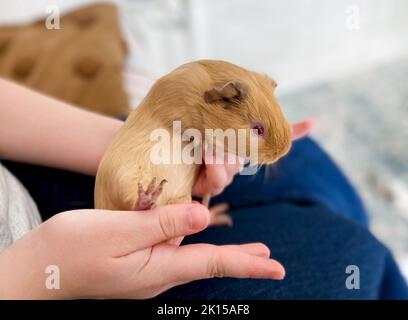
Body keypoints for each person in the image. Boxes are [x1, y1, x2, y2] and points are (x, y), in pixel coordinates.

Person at [0, 78, 406, 299]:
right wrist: (39, 275)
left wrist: (131, 143)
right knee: (351, 255)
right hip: (37, 273)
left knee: (302, 161)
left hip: (20, 173)